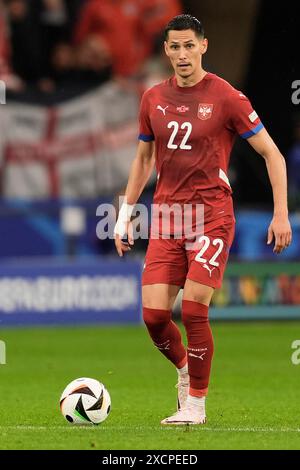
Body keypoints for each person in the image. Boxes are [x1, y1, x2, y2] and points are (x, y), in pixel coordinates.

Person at [114, 14, 292, 425]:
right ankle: (184, 370)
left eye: (189, 46)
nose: (182, 54)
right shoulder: (152, 98)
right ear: (166, 51)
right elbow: (143, 159)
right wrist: (125, 215)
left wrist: (280, 214)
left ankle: (195, 404)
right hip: (167, 218)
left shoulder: (227, 97)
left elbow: (273, 154)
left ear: (203, 47)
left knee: (194, 311)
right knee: (154, 318)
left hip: (211, 216)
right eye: (174, 47)